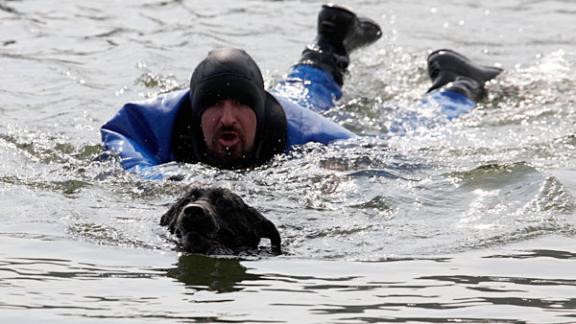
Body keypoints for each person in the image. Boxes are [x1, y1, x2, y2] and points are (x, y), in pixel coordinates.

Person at [101, 4, 502, 179]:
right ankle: (329, 41)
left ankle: (456, 83)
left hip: (292, 115)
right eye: (214, 106)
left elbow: (391, 161)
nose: (227, 117)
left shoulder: (307, 134)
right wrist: (156, 181)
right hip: (281, 100)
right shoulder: (163, 119)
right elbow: (118, 136)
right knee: (298, 90)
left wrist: (340, 177)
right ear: (194, 109)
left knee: (398, 134)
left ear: (258, 109)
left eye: (241, 104)